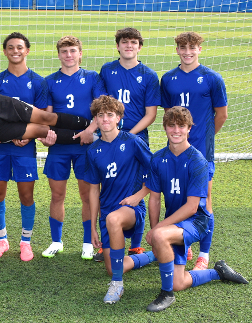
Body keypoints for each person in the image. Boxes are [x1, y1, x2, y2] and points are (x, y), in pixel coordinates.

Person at [145, 107, 247, 312]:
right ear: (164, 128)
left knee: (161, 237)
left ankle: (167, 295)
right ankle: (218, 272)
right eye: (171, 125)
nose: (176, 130)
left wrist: (158, 231)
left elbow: (192, 208)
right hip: (173, 222)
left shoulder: (198, 160)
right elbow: (154, 199)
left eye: (181, 126)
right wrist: (155, 230)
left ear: (189, 129)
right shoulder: (157, 159)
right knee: (179, 282)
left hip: (197, 221)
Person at [160, 31, 228, 271]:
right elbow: (170, 117)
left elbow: (222, 115)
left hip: (201, 151)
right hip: (176, 151)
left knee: (204, 201)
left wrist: (204, 137)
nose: (187, 52)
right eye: (182, 47)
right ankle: (184, 241)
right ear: (177, 50)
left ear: (200, 49)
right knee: (178, 198)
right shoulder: (168, 79)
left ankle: (204, 255)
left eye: (192, 47)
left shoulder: (212, 78)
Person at [0, 32, 48, 262]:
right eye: (11, 47)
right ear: (5, 51)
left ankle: (25, 242)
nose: (15, 51)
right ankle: (2, 240)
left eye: (20, 47)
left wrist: (28, 136)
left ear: (27, 50)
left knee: (26, 195)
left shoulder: (38, 81)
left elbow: (42, 116)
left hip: (24, 147)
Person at [85, 95, 156, 304]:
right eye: (100, 115)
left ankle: (117, 284)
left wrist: (139, 195)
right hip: (106, 212)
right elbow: (93, 191)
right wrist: (92, 228)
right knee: (111, 267)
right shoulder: (92, 151)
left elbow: (155, 171)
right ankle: (155, 256)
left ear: (118, 118)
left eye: (110, 114)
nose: (105, 119)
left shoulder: (133, 142)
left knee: (115, 219)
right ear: (96, 120)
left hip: (131, 209)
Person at [41, 35, 106, 260]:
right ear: (58, 55)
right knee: (57, 194)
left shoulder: (92, 78)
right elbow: (47, 116)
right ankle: (56, 241)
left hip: (85, 146)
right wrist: (45, 136)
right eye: (64, 51)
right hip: (59, 146)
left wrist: (91, 130)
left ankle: (88, 242)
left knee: (87, 196)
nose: (68, 55)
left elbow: (101, 108)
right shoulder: (49, 81)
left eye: (72, 51)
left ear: (80, 53)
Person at [98, 27, 160, 259]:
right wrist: (112, 133)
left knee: (137, 186)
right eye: (124, 42)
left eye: (134, 42)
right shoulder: (107, 70)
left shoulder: (149, 75)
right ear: (118, 46)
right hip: (108, 137)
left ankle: (136, 245)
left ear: (139, 47)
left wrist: (128, 135)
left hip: (136, 139)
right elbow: (103, 105)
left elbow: (150, 114)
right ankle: (110, 240)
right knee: (110, 183)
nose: (129, 46)